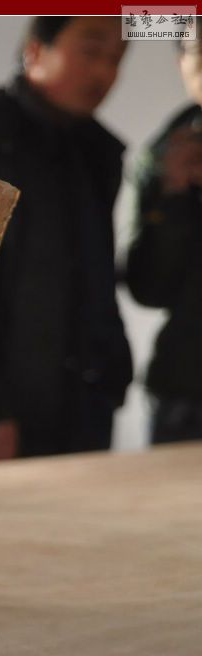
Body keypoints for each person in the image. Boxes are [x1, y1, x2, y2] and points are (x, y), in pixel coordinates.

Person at [0, 16, 133, 461]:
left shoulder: (98, 152)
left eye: (117, 58)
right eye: (91, 52)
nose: (104, 72)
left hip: (82, 409)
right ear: (35, 51)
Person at [123, 38, 202, 445]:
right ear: (180, 62)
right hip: (187, 387)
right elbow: (149, 288)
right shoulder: (168, 151)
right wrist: (174, 195)